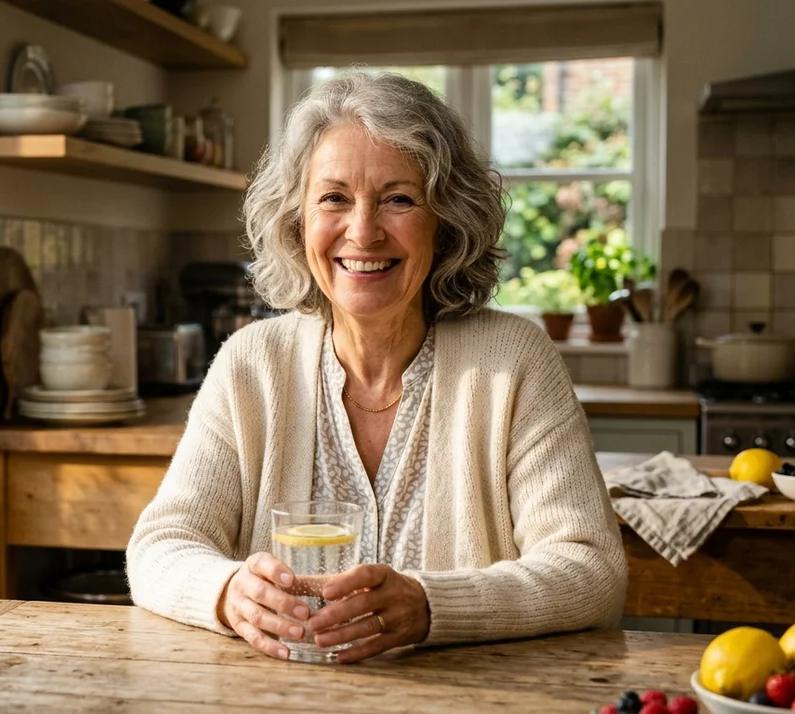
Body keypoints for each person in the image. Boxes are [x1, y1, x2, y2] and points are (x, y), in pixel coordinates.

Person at [125, 71, 626, 663]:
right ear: (298, 221)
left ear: (445, 223)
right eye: (334, 198)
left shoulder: (515, 361)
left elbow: (591, 569)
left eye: (398, 199)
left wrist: (433, 605)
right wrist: (227, 591)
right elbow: (162, 544)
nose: (362, 232)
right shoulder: (251, 364)